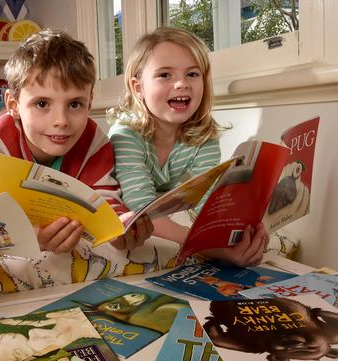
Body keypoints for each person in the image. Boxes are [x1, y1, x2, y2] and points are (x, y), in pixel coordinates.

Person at [0, 29, 154, 285]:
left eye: (74, 104)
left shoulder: (95, 140)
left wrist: (119, 228)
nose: (60, 121)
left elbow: (105, 200)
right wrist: (33, 236)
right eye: (42, 104)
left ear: (90, 102)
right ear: (13, 105)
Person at [108, 27, 267, 267]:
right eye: (165, 75)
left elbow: (209, 203)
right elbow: (141, 208)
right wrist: (208, 247)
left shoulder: (204, 136)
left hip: (172, 214)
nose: (181, 84)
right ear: (138, 88)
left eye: (192, 74)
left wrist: (236, 228)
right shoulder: (125, 134)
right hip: (135, 217)